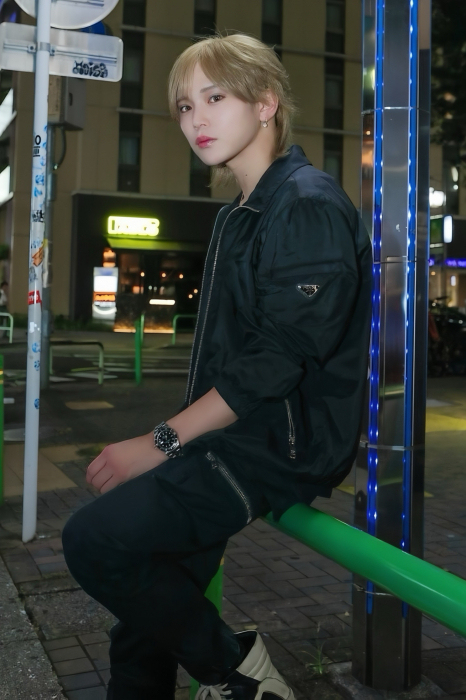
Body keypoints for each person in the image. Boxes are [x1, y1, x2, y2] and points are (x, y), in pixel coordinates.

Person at [62, 32, 373, 700]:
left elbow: (280, 356)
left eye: (215, 98)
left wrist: (161, 440)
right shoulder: (243, 212)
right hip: (235, 433)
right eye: (183, 106)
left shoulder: (306, 203)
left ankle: (239, 672)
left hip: (274, 446)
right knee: (143, 629)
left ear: (266, 103)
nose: (195, 119)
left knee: (95, 540)